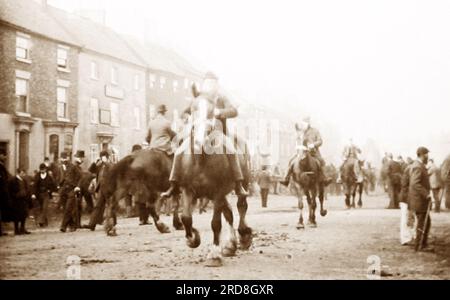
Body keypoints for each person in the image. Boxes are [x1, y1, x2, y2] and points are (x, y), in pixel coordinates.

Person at [161, 72, 248, 198]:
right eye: (207, 83)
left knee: (232, 150)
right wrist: (188, 119)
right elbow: (184, 113)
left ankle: (239, 184)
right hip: (197, 132)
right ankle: (173, 185)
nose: (210, 86)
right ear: (204, 85)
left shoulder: (221, 98)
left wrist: (220, 112)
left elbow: (234, 111)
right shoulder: (198, 99)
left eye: (213, 83)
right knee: (179, 151)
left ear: (216, 85)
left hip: (218, 133)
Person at [280, 116, 329, 186]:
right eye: (303, 123)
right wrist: (298, 146)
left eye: (306, 123)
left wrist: (313, 145)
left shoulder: (315, 131)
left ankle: (324, 179)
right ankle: (286, 179)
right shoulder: (301, 132)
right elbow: (297, 140)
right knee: (291, 162)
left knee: (321, 161)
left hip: (313, 153)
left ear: (309, 123)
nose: (304, 125)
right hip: (301, 152)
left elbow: (320, 141)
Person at [409, 147, 432, 251]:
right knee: (423, 222)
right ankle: (419, 245)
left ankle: (421, 244)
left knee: (425, 222)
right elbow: (415, 183)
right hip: (419, 200)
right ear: (422, 155)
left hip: (419, 200)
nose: (428, 157)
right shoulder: (418, 166)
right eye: (427, 154)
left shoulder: (419, 165)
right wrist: (426, 194)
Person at [84, 150, 112, 231]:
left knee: (110, 206)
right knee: (97, 206)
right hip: (101, 188)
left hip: (109, 189)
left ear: (107, 157)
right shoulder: (100, 165)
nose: (102, 158)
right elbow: (90, 170)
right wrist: (95, 163)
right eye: (101, 156)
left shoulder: (111, 164)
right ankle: (91, 225)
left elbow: (111, 168)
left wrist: (106, 162)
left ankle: (112, 223)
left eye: (104, 156)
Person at [60, 150, 85, 232]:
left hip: (72, 189)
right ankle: (72, 224)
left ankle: (63, 226)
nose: (64, 160)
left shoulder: (73, 166)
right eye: (62, 158)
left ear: (68, 158)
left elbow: (81, 177)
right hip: (63, 190)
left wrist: (78, 186)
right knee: (65, 208)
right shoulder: (60, 167)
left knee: (68, 208)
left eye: (65, 158)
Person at [31, 163, 56, 228]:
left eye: (44, 169)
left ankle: (41, 222)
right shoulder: (37, 176)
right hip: (39, 194)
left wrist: (50, 190)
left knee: (45, 208)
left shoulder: (49, 176)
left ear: (45, 169)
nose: (42, 171)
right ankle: (45, 222)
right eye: (41, 170)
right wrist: (33, 194)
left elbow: (53, 185)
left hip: (46, 194)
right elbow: (34, 186)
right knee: (41, 208)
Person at [8, 169, 32, 235]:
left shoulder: (24, 180)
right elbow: (10, 191)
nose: (23, 174)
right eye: (22, 173)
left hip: (24, 200)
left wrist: (27, 195)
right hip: (16, 201)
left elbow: (27, 189)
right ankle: (16, 230)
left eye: (24, 173)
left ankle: (22, 229)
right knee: (16, 216)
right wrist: (15, 196)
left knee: (24, 215)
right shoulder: (13, 180)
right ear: (18, 173)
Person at [399, 157, 415, 245]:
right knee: (405, 219)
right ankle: (405, 238)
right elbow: (406, 187)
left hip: (407, 198)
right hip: (406, 199)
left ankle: (409, 237)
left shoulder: (407, 171)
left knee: (409, 218)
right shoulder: (407, 173)